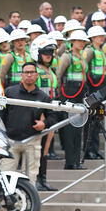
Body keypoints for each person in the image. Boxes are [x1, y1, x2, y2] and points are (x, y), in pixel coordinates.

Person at [0, 61, 57, 187]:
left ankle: (28, 205)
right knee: (5, 177)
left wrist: (44, 123)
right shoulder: (10, 92)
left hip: (32, 141)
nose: (29, 75)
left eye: (32, 72)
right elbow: (1, 114)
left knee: (30, 179)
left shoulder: (43, 97)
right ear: (21, 75)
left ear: (37, 75)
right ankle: (2, 205)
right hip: (10, 141)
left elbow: (53, 117)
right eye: (26, 72)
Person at [56, 29, 89, 170]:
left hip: (80, 94)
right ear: (72, 42)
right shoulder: (66, 57)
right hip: (68, 94)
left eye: (83, 41)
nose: (81, 43)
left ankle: (77, 161)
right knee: (70, 129)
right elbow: (58, 76)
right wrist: (60, 95)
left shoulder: (82, 57)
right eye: (79, 41)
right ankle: (70, 162)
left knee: (78, 128)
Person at [30, 36, 59, 191]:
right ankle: (35, 179)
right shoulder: (34, 70)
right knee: (37, 148)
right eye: (45, 52)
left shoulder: (50, 70)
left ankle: (43, 179)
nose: (49, 55)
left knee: (46, 148)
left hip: (50, 110)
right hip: (39, 111)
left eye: (51, 52)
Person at [81, 26, 106, 160]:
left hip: (100, 88)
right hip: (92, 88)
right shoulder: (89, 50)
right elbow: (83, 68)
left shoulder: (100, 51)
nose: (102, 38)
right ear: (92, 38)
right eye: (99, 36)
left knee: (97, 119)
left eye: (102, 36)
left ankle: (95, 148)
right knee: (90, 120)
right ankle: (88, 150)